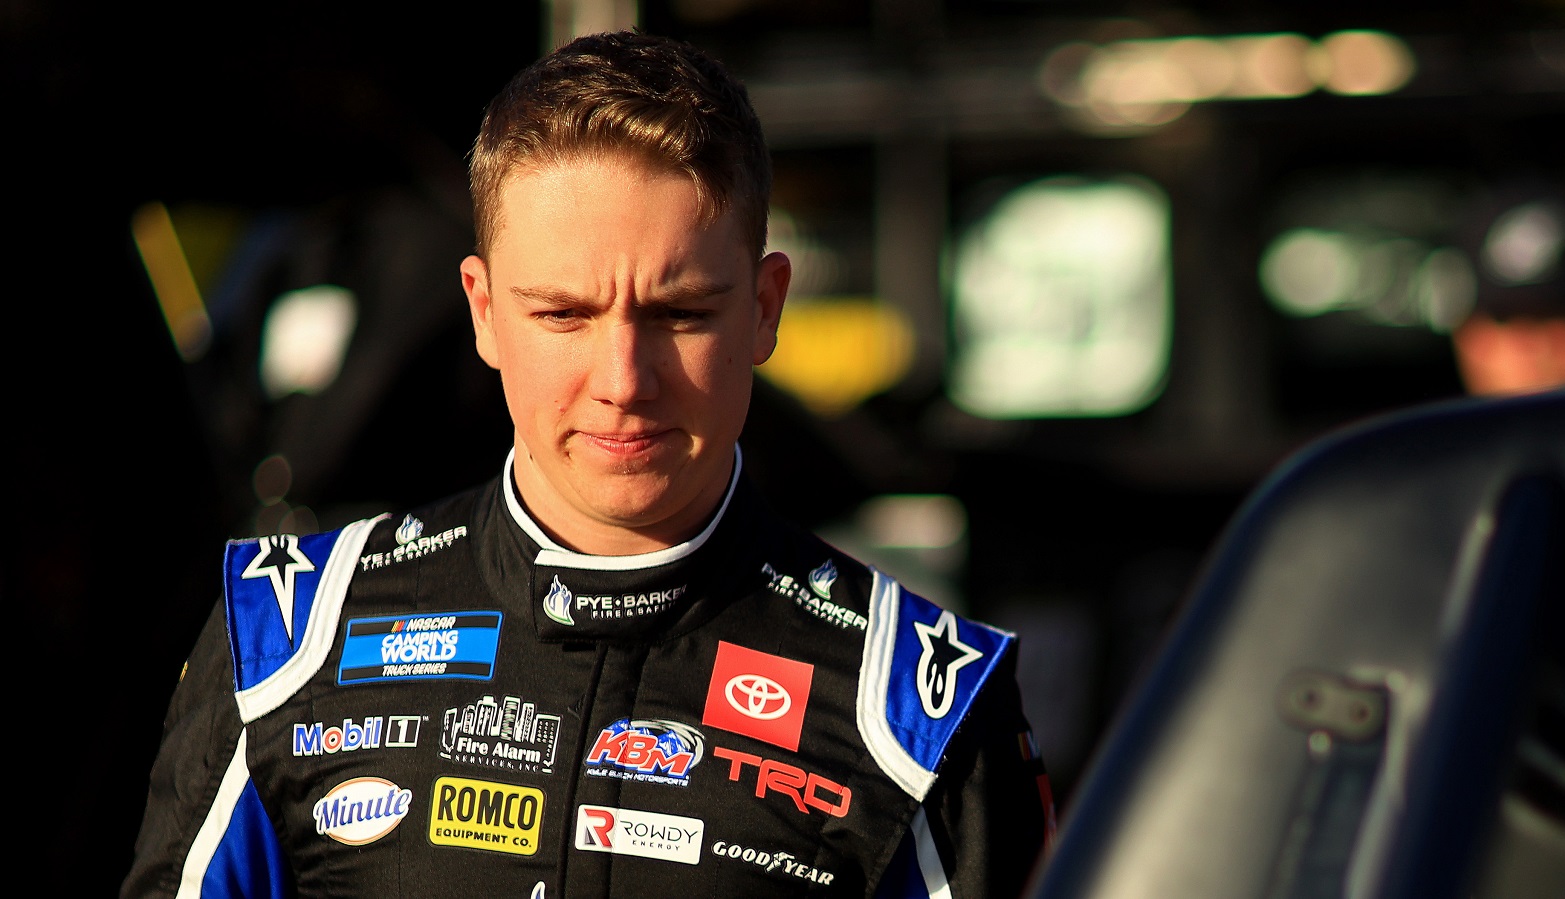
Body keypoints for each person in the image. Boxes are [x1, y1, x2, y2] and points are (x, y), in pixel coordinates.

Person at [122, 30, 1054, 899]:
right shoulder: (289, 638)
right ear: (484, 313)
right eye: (563, 314)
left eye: (680, 313)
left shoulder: (920, 705)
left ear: (767, 308)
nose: (623, 382)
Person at [1449, 177, 1565, 397]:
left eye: (1554, 314)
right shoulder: (1416, 431)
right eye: (1505, 318)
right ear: (1465, 341)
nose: (1534, 347)